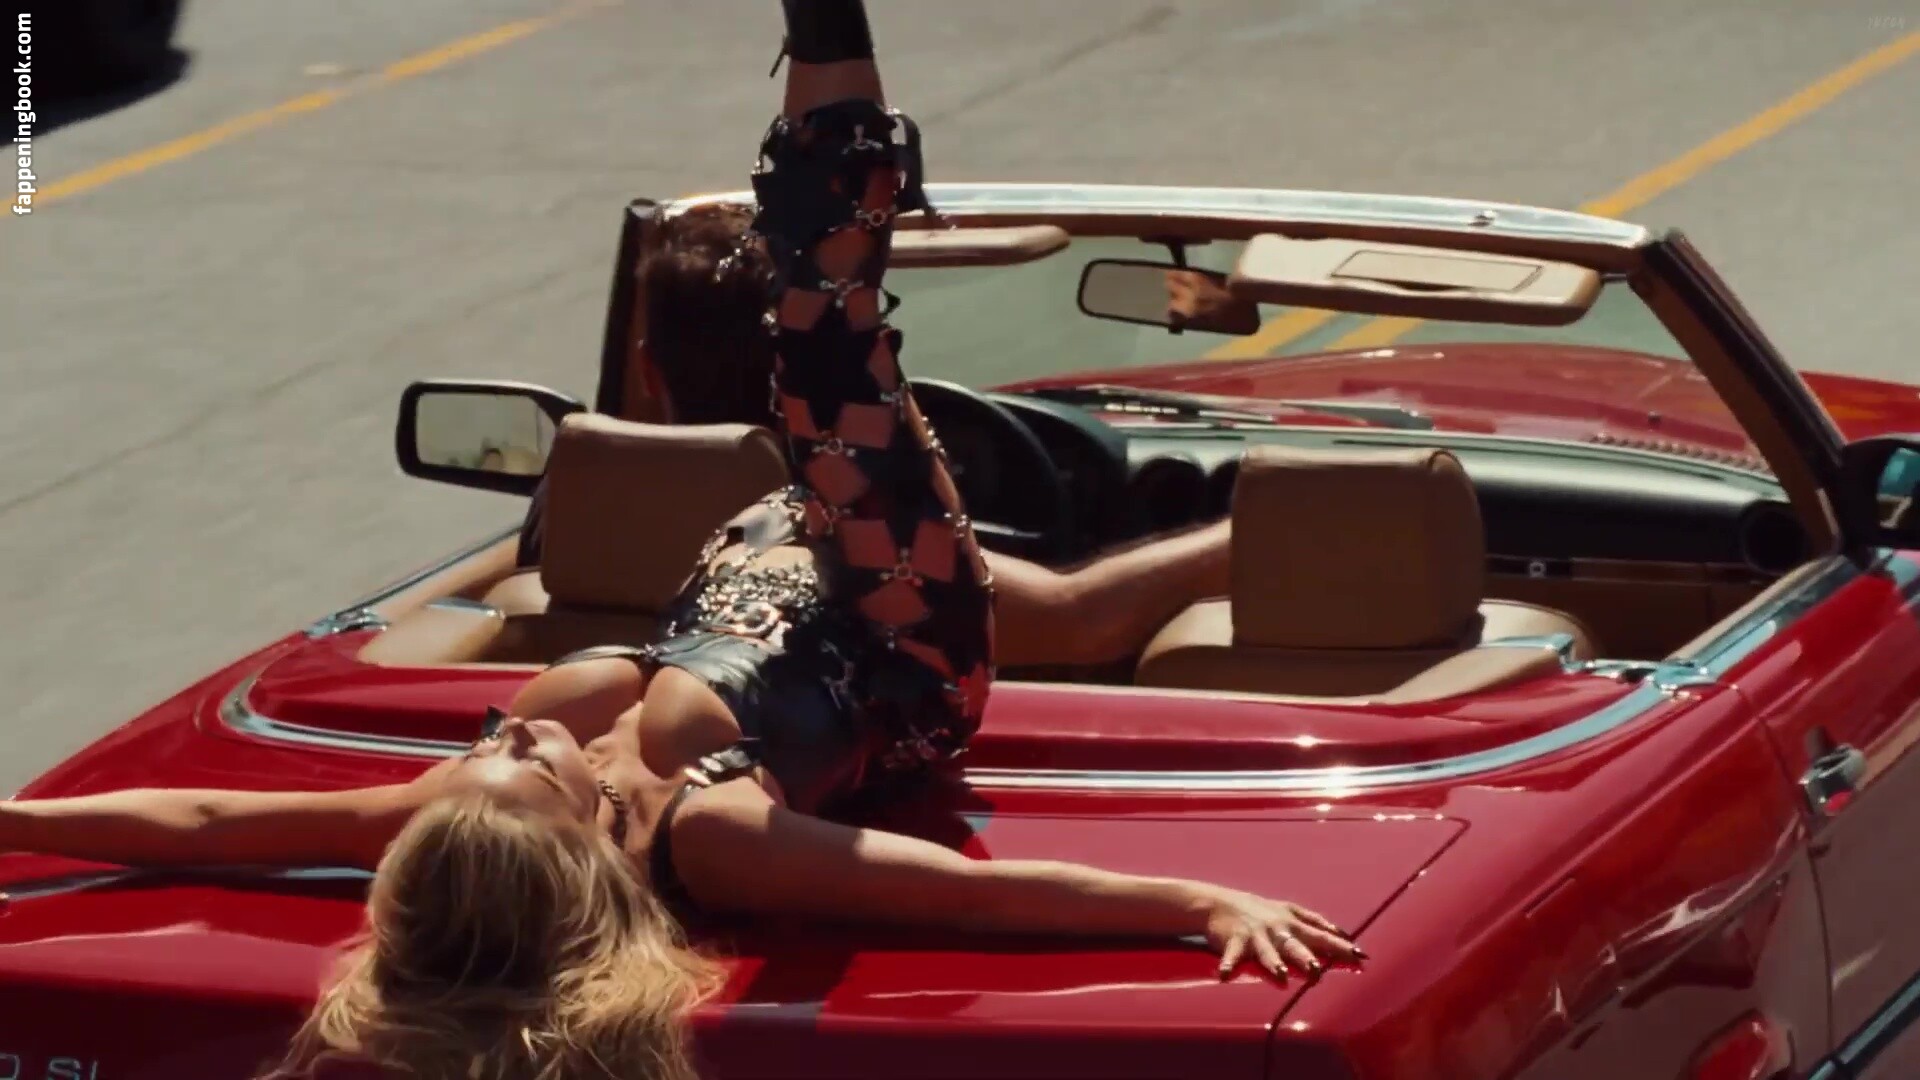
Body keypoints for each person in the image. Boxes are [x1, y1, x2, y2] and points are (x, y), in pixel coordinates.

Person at [0, 6, 1362, 1077]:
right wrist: (1194, 906)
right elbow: (966, 901)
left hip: (756, 569)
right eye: (516, 760)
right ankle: (827, 42)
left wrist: (14, 822)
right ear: (574, 845)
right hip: (903, 653)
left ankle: (1235, 535)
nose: (499, 737)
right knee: (824, 334)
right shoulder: (715, 837)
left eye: (484, 752)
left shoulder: (465, 820)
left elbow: (209, 824)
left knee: (801, 395)